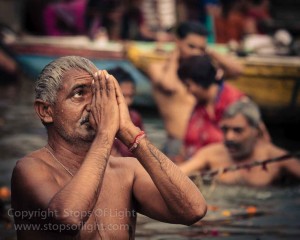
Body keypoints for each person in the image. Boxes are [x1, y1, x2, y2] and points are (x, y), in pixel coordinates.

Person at [11, 56, 207, 239]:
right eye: (79, 93)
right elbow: (68, 219)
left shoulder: (127, 171)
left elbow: (193, 210)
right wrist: (106, 133)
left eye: (99, 95)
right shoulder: (30, 169)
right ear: (46, 111)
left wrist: (129, 131)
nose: (95, 106)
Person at [146, 21, 244, 159]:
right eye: (191, 46)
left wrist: (209, 52)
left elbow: (237, 71)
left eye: (200, 48)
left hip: (207, 143)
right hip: (178, 145)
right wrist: (174, 56)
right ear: (178, 42)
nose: (196, 53)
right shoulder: (158, 68)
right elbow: (169, 85)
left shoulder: (205, 72)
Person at [179, 100, 300, 187]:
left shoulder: (277, 158)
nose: (229, 137)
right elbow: (178, 174)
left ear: (256, 131)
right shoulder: (211, 154)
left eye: (238, 130)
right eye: (225, 129)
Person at [177, 55, 246, 160]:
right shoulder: (199, 107)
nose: (188, 91)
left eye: (188, 85)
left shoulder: (236, 102)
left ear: (200, 81)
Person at [108, 66, 144, 157]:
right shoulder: (100, 121)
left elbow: (145, 149)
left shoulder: (134, 117)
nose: (128, 102)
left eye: (131, 96)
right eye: (123, 96)